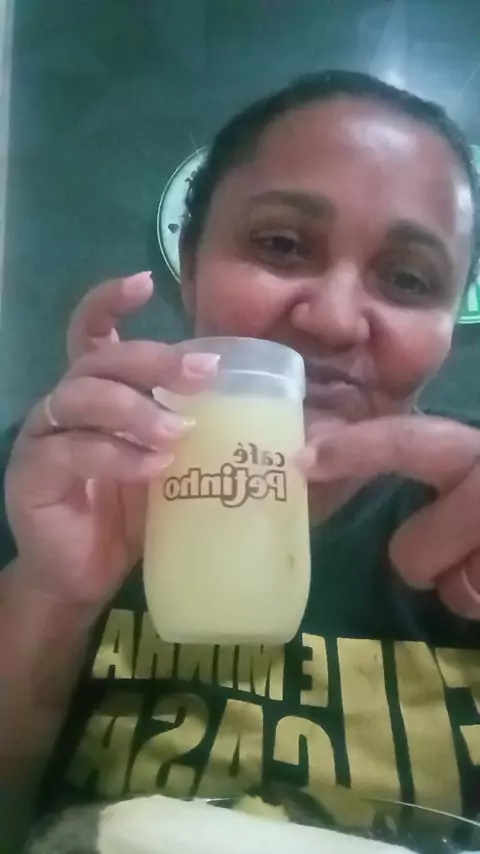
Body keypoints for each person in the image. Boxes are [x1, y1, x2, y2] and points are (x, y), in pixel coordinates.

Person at [2, 69, 480, 848]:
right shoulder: (48, 485)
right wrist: (49, 595)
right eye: (282, 245)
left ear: (450, 323)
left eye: (407, 279)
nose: (333, 320)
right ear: (191, 264)